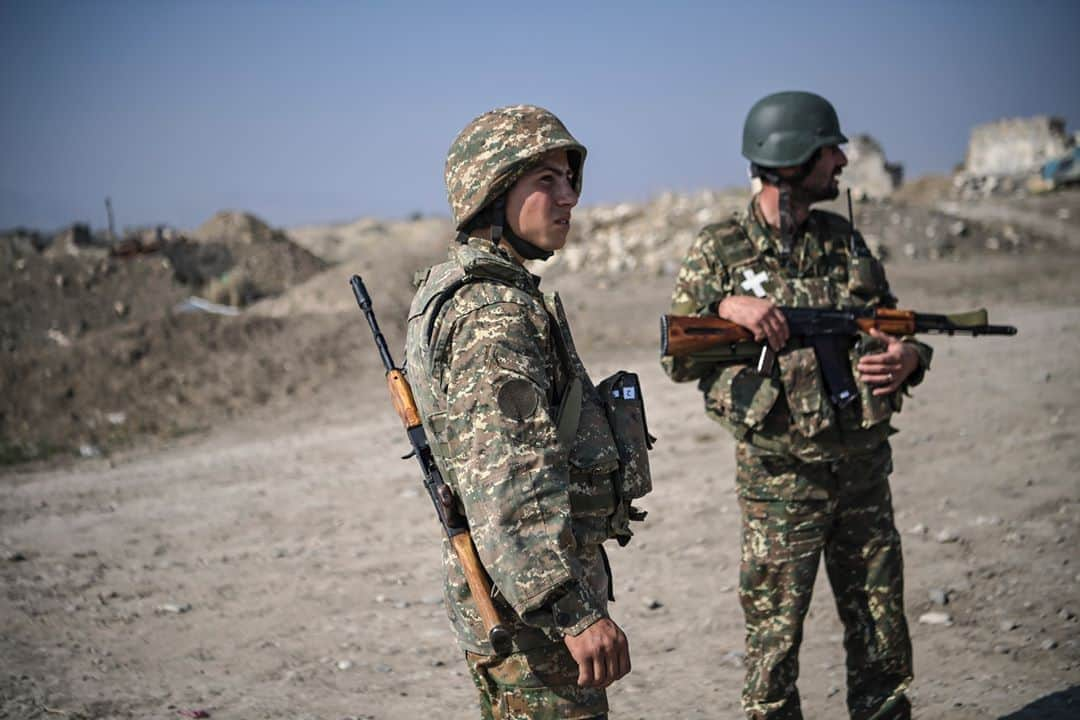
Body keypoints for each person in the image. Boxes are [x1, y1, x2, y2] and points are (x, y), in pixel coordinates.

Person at [662, 91, 933, 720]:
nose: (841, 159)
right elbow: (677, 357)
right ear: (790, 157)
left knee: (882, 638)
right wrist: (725, 309)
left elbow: (894, 324)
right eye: (827, 148)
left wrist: (910, 357)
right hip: (780, 485)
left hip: (864, 474)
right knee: (773, 651)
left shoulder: (844, 241)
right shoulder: (720, 249)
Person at [405, 105, 643, 719]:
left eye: (570, 180)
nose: (569, 198)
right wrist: (574, 611)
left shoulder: (485, 294)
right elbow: (510, 482)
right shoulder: (494, 317)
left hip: (521, 604)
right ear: (493, 192)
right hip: (536, 624)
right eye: (546, 181)